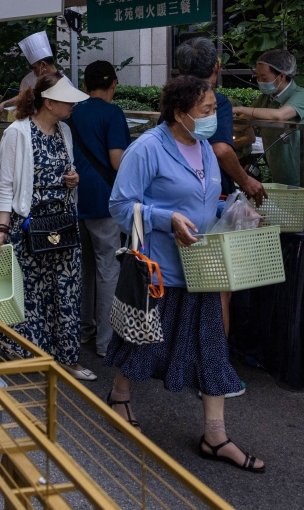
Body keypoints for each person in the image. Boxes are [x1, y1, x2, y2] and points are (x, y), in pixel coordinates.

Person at [106, 75, 264, 473]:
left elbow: (207, 204)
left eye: (213, 109)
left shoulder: (207, 149)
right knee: (140, 341)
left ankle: (215, 436)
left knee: (213, 348)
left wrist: (234, 215)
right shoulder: (146, 149)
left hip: (202, 267)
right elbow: (121, 206)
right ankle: (120, 398)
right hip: (159, 270)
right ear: (180, 114)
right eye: (206, 111)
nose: (213, 117)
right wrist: (166, 218)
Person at [0, 73, 96, 380]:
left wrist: (74, 179)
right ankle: (27, 352)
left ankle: (67, 356)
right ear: (49, 102)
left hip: (62, 222)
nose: (72, 105)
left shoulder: (65, 130)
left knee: (66, 290)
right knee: (30, 293)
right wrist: (1, 227)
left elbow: (70, 170)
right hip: (27, 224)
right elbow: (6, 184)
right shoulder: (17, 133)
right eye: (67, 101)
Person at [176, 36, 265, 342]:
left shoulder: (174, 102)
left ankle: (188, 361)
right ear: (216, 67)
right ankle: (216, 369)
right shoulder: (217, 100)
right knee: (218, 290)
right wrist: (247, 181)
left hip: (178, 206)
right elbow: (222, 150)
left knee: (187, 288)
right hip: (211, 203)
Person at [69, 61, 130, 358]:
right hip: (104, 200)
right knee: (108, 268)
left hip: (74, 197)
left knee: (85, 268)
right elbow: (117, 161)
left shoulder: (71, 111)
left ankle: (83, 331)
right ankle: (106, 343)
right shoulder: (113, 113)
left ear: (84, 85)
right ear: (114, 84)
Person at [233, 49, 304, 204]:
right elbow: (247, 118)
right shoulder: (266, 98)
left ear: (281, 76)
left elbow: (280, 115)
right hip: (282, 179)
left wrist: (241, 109)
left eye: (263, 77)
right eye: (257, 77)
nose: (259, 81)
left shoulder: (301, 95)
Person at [0, 31, 59, 111]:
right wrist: (4, 104)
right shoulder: (29, 80)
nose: (34, 72)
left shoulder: (63, 82)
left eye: (35, 67)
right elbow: (23, 98)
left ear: (43, 65)